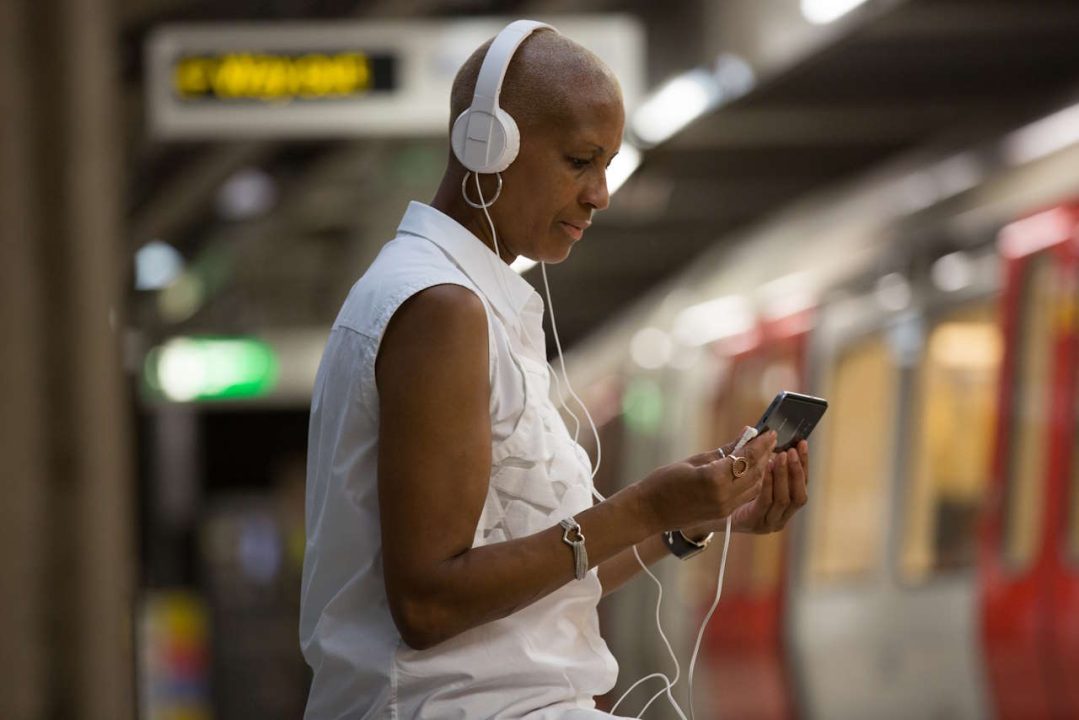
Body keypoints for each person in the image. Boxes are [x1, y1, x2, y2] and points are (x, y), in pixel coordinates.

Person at [299, 20, 809, 720]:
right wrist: (641, 506)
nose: (600, 193)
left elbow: (549, 575)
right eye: (579, 161)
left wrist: (685, 522)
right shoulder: (439, 308)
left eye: (606, 166)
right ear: (487, 144)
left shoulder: (469, 301)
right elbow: (427, 602)